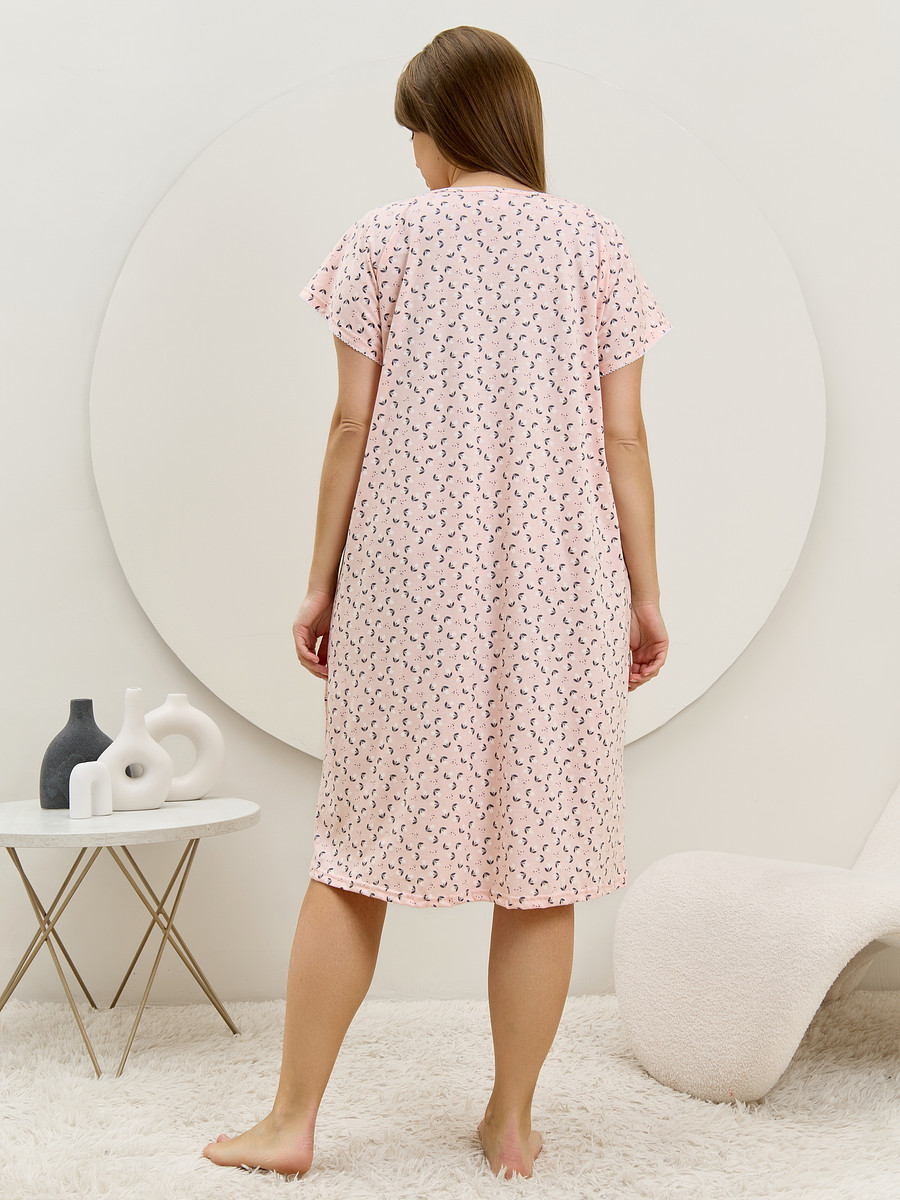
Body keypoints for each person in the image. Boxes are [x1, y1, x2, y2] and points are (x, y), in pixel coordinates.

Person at [203, 24, 671, 1183]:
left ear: (446, 126)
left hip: (406, 589)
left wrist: (321, 578)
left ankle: (292, 1122)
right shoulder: (596, 243)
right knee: (542, 859)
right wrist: (645, 594)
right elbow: (624, 437)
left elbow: (350, 424)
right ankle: (511, 1122)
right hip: (563, 589)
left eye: (413, 130)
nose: (410, 152)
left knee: (356, 849)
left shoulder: (383, 237)